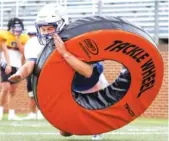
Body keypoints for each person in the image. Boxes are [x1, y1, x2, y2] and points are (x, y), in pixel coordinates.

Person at [9, 4, 108, 140]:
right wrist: (20, 74)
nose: (45, 32)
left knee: (97, 119)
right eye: (43, 29)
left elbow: (88, 73)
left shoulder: (77, 39)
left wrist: (65, 53)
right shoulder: (34, 44)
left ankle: (97, 128)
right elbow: (29, 64)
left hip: (92, 82)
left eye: (50, 28)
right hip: (68, 85)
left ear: (62, 25)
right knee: (65, 131)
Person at [0, 17, 29, 120]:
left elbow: (23, 52)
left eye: (18, 27)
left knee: (13, 90)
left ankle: (11, 114)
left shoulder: (24, 37)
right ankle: (0, 111)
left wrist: (17, 39)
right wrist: (6, 64)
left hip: (17, 65)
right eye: (14, 27)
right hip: (5, 64)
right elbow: (3, 50)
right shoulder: (4, 35)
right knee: (5, 88)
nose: (16, 29)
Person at [21, 27, 44, 120]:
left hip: (39, 69)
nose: (32, 36)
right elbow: (25, 58)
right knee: (31, 93)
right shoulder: (28, 44)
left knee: (40, 93)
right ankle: (33, 113)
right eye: (30, 34)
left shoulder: (41, 43)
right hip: (31, 70)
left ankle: (40, 112)